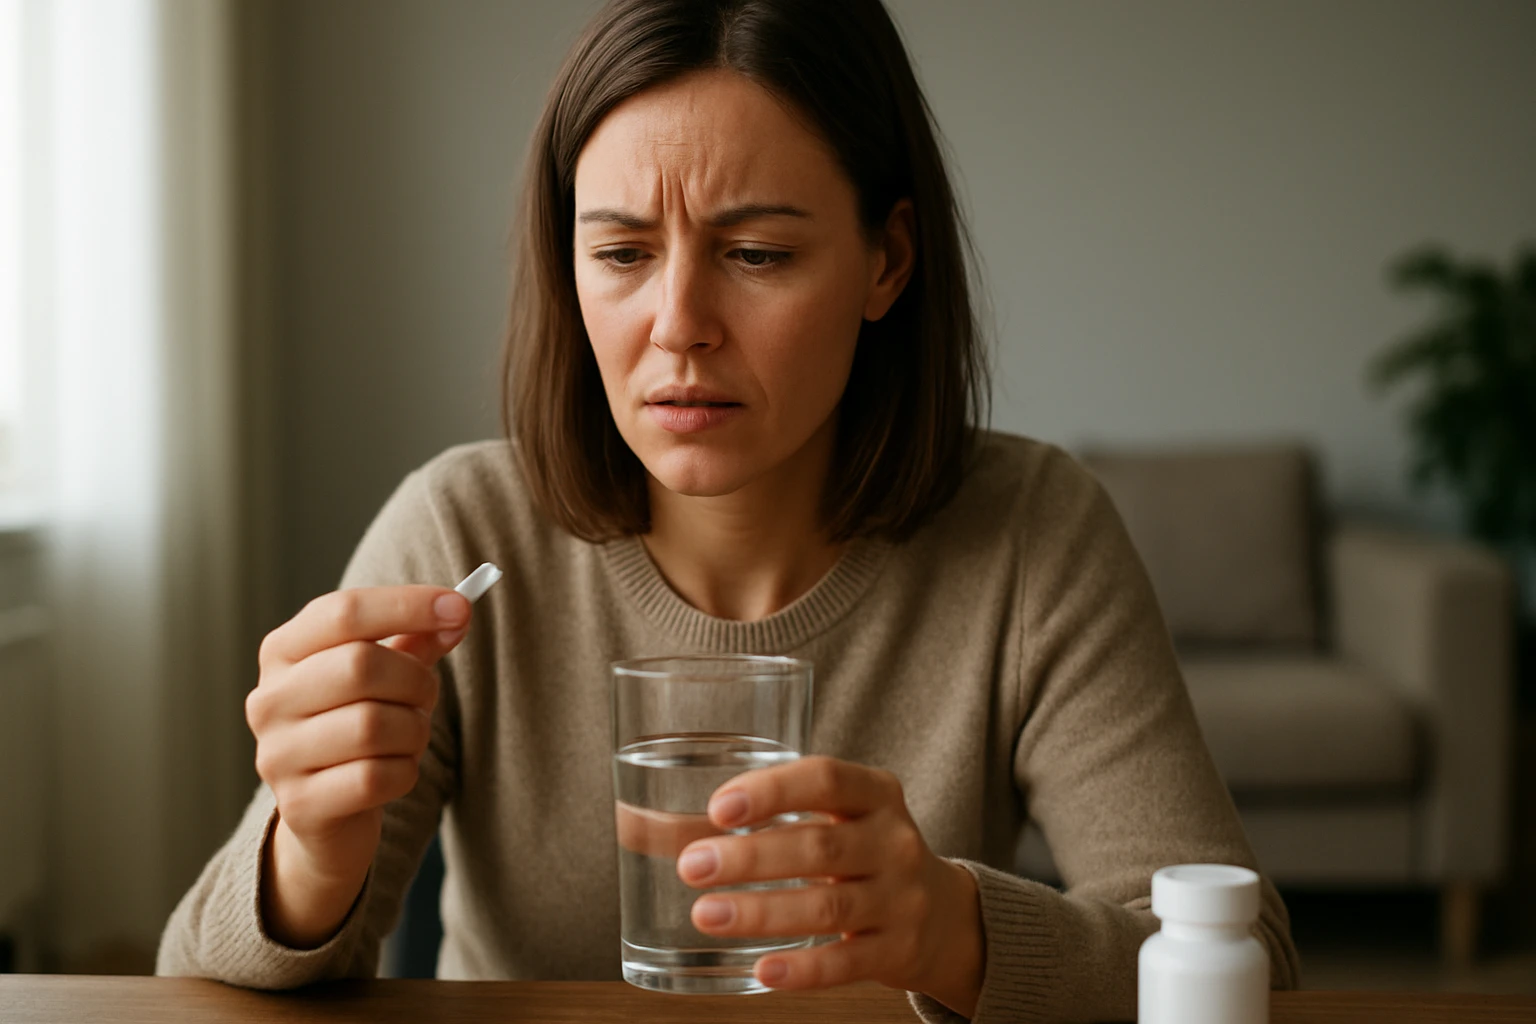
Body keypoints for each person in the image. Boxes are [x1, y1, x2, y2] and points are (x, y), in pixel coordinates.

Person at [156, 1, 1300, 1020]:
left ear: (886, 261)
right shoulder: (462, 529)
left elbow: (1246, 964)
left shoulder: (1034, 536)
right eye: (620, 252)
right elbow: (187, 979)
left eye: (755, 252)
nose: (679, 323)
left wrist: (955, 928)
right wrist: (309, 849)